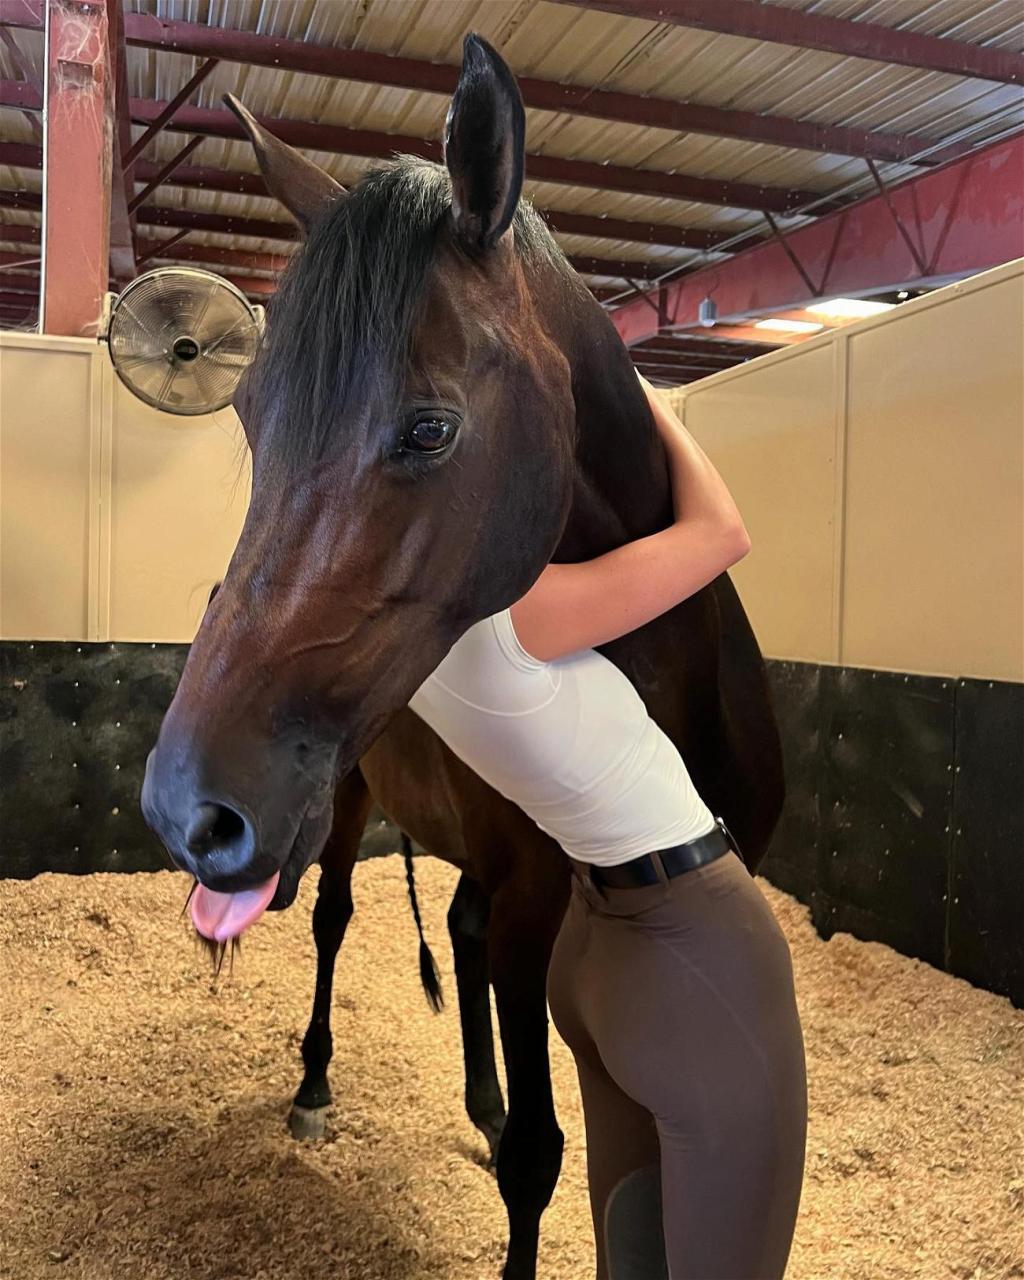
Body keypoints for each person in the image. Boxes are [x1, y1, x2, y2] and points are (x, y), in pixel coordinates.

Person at [409, 377, 806, 1280]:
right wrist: (652, 404)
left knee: (630, 1256)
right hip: (695, 946)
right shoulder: (514, 614)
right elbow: (722, 534)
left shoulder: (407, 635)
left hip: (589, 960)